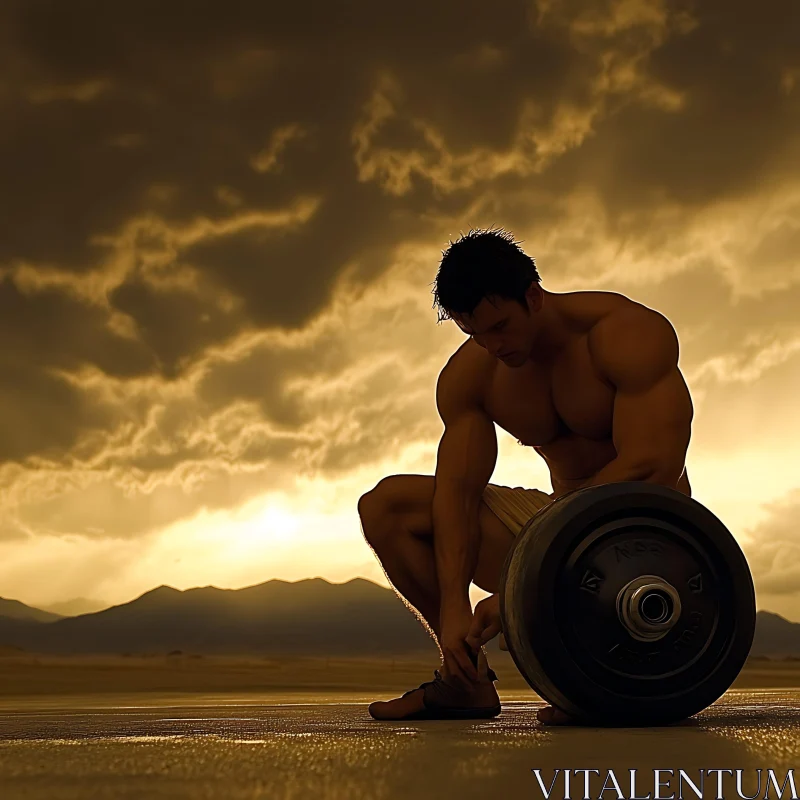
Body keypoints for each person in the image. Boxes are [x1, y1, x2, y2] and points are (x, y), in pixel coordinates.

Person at [358, 228, 694, 724]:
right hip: (555, 533)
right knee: (387, 506)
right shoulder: (473, 375)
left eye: (499, 326)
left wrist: (526, 580)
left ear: (533, 296)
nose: (492, 346)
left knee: (591, 708)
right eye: (474, 334)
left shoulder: (624, 334)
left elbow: (651, 468)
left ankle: (603, 676)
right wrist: (454, 607)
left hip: (645, 542)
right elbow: (456, 492)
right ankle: (464, 680)